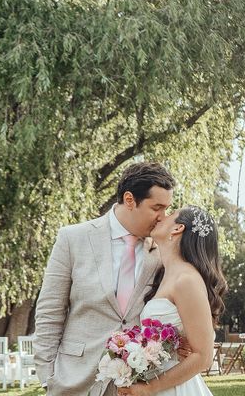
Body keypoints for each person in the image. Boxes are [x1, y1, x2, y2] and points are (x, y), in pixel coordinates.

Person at [34, 162, 176, 395]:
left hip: (138, 383)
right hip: (75, 380)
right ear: (130, 200)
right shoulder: (72, 239)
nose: (163, 218)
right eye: (157, 208)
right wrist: (47, 377)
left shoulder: (163, 250)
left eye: (167, 209)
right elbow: (49, 312)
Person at [117, 205, 227, 396]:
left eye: (170, 214)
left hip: (174, 388)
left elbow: (204, 356)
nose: (161, 217)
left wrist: (150, 388)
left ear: (177, 229)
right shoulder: (164, 274)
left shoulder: (187, 279)